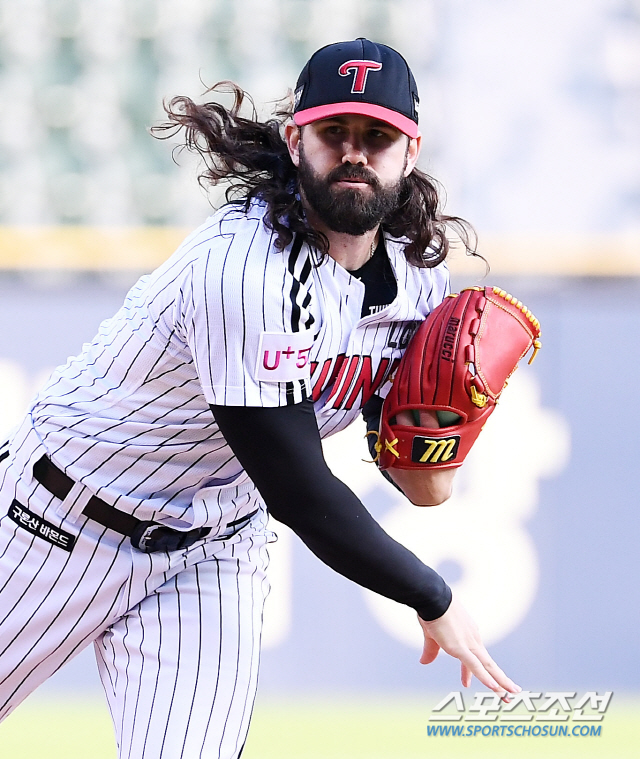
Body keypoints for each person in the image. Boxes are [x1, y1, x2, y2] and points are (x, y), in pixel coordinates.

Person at [0, 38, 520, 759]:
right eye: (335, 132)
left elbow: (417, 480)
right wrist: (433, 594)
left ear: (410, 152)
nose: (355, 153)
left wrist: (435, 440)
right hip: (56, 518)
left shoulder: (417, 281)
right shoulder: (245, 268)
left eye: (377, 137)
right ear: (296, 140)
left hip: (212, 548)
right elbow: (298, 490)